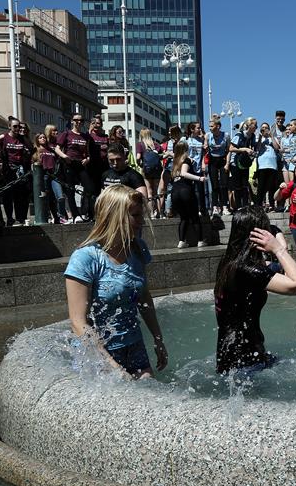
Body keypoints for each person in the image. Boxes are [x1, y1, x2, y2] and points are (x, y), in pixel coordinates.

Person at [64, 184, 168, 378]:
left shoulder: (138, 249)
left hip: (133, 344)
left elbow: (144, 297)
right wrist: (111, 365)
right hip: (96, 352)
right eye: (135, 216)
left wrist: (157, 338)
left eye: (140, 215)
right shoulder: (86, 258)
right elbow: (78, 322)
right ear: (115, 217)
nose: (141, 221)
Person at [214, 206, 296, 376]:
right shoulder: (247, 270)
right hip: (244, 364)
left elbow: (265, 270)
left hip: (231, 358)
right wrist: (279, 249)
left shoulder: (229, 262)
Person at [0, 117, 32, 225]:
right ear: (9, 127)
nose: (17, 128)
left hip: (20, 170)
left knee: (19, 195)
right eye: (15, 126)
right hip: (8, 169)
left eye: (19, 126)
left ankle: (20, 218)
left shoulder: (22, 138)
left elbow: (31, 148)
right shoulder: (4, 136)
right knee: (8, 195)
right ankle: (10, 219)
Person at [170, 140, 207, 248]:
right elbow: (184, 173)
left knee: (184, 218)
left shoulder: (174, 162)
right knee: (194, 216)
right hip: (185, 190)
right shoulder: (186, 160)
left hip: (175, 192)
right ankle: (200, 240)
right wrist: (199, 178)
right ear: (186, 149)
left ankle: (181, 241)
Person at [33, 131, 66, 224]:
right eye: (40, 137)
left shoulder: (51, 150)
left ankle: (61, 216)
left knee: (60, 197)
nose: (43, 139)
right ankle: (49, 217)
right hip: (43, 176)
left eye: (44, 137)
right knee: (47, 198)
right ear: (37, 140)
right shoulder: (36, 150)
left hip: (53, 175)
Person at [229, 118, 258, 210]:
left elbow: (255, 147)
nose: (256, 127)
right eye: (255, 125)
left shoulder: (253, 136)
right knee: (237, 186)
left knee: (245, 185)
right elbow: (231, 148)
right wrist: (244, 149)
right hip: (235, 163)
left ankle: (245, 206)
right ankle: (238, 207)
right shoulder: (239, 135)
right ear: (249, 126)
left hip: (245, 163)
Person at [205, 118, 231, 216]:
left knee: (224, 184)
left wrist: (227, 163)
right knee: (214, 185)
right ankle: (215, 207)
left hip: (222, 160)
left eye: (212, 126)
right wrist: (205, 146)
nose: (210, 128)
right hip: (212, 161)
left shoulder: (226, 135)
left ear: (218, 126)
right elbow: (205, 147)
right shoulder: (208, 135)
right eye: (209, 126)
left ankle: (225, 206)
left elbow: (229, 150)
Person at [135, 128, 164, 218]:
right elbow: (163, 155)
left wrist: (140, 164)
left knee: (149, 192)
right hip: (156, 170)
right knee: (157, 192)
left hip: (146, 171)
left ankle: (151, 214)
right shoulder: (155, 144)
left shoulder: (140, 145)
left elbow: (138, 157)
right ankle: (160, 213)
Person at [254, 122, 282, 211]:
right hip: (262, 166)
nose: (264, 129)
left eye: (266, 127)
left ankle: (272, 204)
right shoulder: (259, 138)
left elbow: (277, 148)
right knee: (261, 187)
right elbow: (257, 148)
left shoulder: (272, 138)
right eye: (263, 128)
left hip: (272, 165)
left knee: (272, 187)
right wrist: (261, 136)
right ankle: (258, 205)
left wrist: (271, 136)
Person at [182, 122, 207, 214]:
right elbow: (179, 152)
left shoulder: (201, 140)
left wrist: (203, 163)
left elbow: (204, 153)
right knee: (190, 189)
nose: (199, 129)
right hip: (188, 167)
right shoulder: (185, 139)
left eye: (200, 128)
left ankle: (202, 209)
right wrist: (187, 158)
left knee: (200, 190)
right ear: (192, 129)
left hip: (198, 167)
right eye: (198, 128)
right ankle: (191, 209)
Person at [158, 126, 182, 218]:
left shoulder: (182, 142)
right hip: (169, 168)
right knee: (169, 189)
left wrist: (169, 154)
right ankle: (168, 210)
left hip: (177, 167)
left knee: (172, 189)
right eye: (168, 132)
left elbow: (181, 155)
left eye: (171, 132)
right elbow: (161, 156)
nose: (169, 134)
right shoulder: (168, 143)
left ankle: (172, 210)